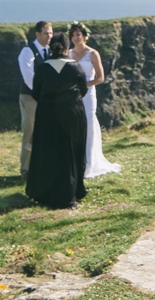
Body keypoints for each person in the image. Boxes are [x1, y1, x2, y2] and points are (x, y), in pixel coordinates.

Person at [25, 31, 89, 209]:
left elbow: (36, 93)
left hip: (48, 113)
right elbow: (83, 90)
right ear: (67, 48)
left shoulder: (43, 68)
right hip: (72, 113)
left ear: (51, 49)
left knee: (49, 150)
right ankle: (73, 190)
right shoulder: (75, 66)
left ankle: (47, 191)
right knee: (70, 151)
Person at [67, 21, 122, 178]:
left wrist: (83, 85)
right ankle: (77, 161)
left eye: (78, 34)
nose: (76, 38)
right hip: (72, 95)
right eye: (73, 35)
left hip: (88, 94)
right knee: (74, 125)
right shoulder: (69, 54)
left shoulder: (93, 54)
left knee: (89, 124)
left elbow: (100, 78)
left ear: (84, 36)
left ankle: (89, 164)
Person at [17, 20, 52, 181]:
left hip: (45, 98)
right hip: (30, 97)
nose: (49, 36)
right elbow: (28, 77)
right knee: (30, 133)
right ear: (37, 34)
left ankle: (42, 166)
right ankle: (26, 170)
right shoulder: (27, 51)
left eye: (50, 33)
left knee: (45, 132)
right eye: (46, 33)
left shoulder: (49, 51)